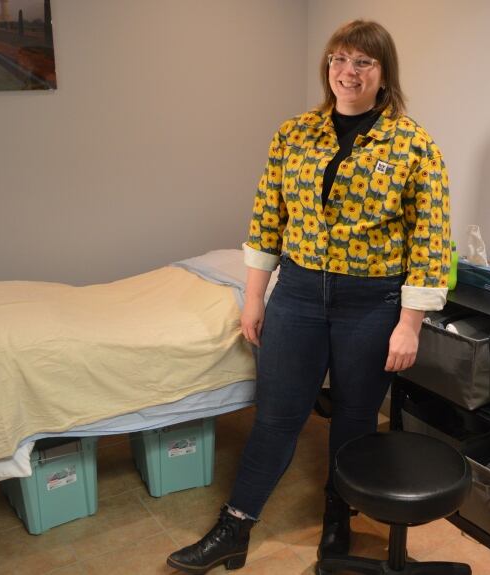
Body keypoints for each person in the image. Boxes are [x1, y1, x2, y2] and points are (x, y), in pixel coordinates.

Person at [167, 19, 450, 574]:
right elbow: (267, 217)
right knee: (277, 414)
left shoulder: (413, 144)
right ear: (327, 67)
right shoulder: (294, 133)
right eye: (339, 59)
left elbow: (431, 239)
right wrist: (255, 297)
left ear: (383, 73)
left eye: (363, 63)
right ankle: (236, 525)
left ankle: (339, 515)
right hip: (296, 292)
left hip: (371, 302)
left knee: (354, 416)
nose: (348, 72)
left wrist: (410, 324)